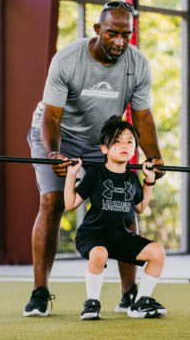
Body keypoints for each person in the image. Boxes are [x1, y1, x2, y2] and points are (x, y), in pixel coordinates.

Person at [24, 1, 164, 317]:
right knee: (52, 202)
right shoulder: (68, 60)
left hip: (104, 142)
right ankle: (39, 293)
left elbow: (142, 119)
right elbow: (51, 118)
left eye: (126, 35)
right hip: (59, 136)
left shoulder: (138, 64)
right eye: (112, 34)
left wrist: (154, 157)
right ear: (97, 29)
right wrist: (54, 154)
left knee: (122, 201)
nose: (119, 42)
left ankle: (130, 295)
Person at [65, 116, 166, 320]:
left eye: (129, 141)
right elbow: (70, 203)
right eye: (117, 141)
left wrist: (150, 181)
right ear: (104, 149)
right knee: (100, 253)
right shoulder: (96, 173)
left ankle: (140, 302)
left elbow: (140, 207)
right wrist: (71, 174)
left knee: (157, 252)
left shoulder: (132, 177)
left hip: (120, 236)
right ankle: (92, 303)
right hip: (92, 235)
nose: (124, 145)